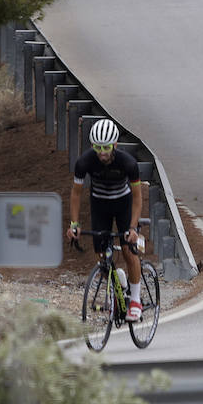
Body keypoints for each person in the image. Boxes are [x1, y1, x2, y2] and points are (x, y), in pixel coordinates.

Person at [67, 119, 148, 321]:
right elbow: (75, 194)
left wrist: (132, 227)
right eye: (97, 147)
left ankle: (136, 299)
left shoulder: (128, 163)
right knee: (102, 256)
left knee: (129, 250)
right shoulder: (84, 162)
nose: (101, 152)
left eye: (106, 147)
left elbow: (138, 198)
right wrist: (74, 225)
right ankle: (119, 283)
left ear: (115, 145)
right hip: (100, 206)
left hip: (124, 205)